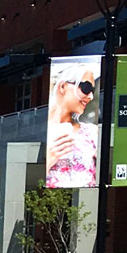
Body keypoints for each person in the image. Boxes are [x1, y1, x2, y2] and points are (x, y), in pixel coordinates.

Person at [44, 60, 100, 189]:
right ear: (63, 86)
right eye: (86, 88)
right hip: (51, 203)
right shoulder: (43, 129)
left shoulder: (91, 132)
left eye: (92, 90)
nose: (90, 96)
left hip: (86, 202)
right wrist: (49, 159)